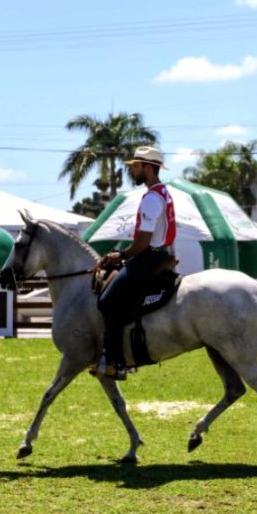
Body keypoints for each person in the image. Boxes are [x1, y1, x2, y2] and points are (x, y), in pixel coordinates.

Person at [91, 146, 176, 380]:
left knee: (107, 302)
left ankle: (117, 362)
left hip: (149, 256)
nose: (133, 171)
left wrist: (121, 255)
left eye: (136, 166)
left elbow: (142, 243)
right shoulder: (163, 192)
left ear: (148, 168)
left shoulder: (151, 199)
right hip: (159, 253)